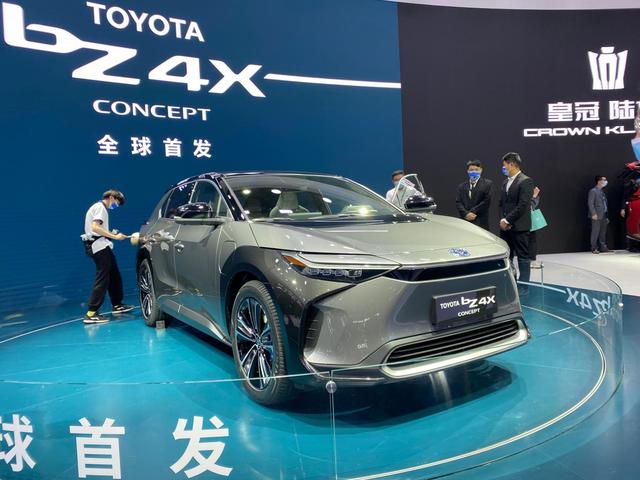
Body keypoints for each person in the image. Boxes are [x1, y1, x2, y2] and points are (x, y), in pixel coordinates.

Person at [83, 189, 135, 324]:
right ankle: (91, 313)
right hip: (98, 247)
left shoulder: (99, 208)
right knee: (103, 278)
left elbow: (98, 229)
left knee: (114, 275)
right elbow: (95, 227)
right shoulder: (100, 207)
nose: (116, 206)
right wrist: (114, 237)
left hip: (102, 245)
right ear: (111, 197)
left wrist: (112, 234)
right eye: (117, 203)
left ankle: (117, 304)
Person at [499, 152, 534, 295]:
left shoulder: (526, 181)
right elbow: (502, 204)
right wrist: (503, 220)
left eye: (504, 165)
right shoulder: (505, 182)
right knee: (507, 256)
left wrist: (508, 220)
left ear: (511, 164)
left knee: (523, 257)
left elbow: (523, 205)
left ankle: (524, 286)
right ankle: (511, 283)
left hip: (520, 227)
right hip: (506, 228)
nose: (503, 168)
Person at [455, 160, 492, 230]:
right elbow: (458, 202)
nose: (474, 172)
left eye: (476, 170)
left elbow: (486, 202)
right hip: (465, 221)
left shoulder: (487, 184)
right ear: (467, 171)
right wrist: (466, 214)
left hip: (480, 222)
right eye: (471, 170)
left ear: (481, 170)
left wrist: (471, 212)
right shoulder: (461, 186)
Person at [588, 176, 610, 254]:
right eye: (604, 180)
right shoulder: (593, 191)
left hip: (604, 214)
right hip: (596, 215)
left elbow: (604, 204)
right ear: (599, 181)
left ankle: (603, 247)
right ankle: (594, 248)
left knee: (602, 233)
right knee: (595, 232)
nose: (605, 181)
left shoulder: (602, 191)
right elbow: (590, 203)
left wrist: (606, 215)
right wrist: (593, 213)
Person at [529, 186, 541, 267]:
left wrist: (534, 196)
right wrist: (534, 196)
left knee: (532, 239)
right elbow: (529, 206)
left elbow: (532, 206)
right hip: (522, 219)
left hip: (529, 220)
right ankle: (530, 261)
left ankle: (532, 260)